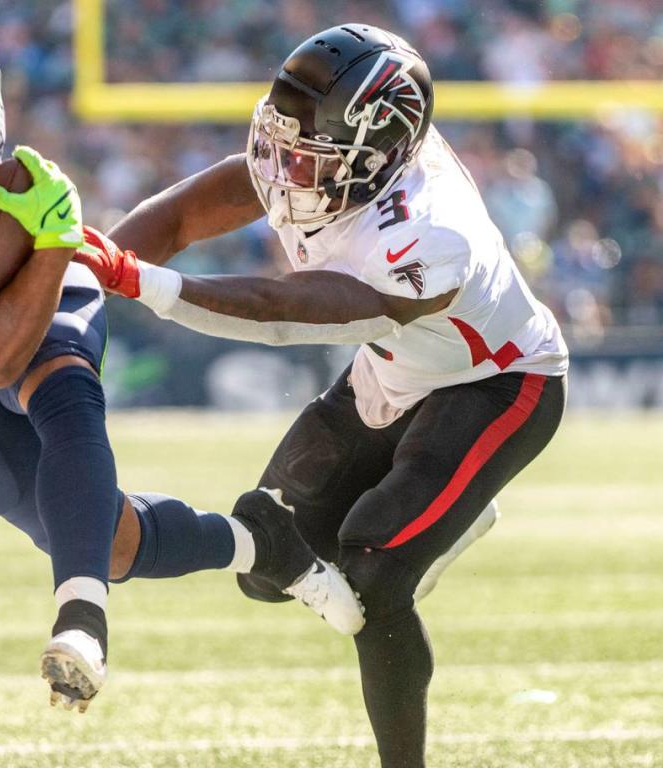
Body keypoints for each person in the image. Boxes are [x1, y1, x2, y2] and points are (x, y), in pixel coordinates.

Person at [0, 12, 360, 713]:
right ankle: (261, 543)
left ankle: (82, 621)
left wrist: (47, 240)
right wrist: (53, 244)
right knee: (98, 535)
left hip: (12, 251)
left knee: (64, 385)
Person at [75, 23, 568, 766]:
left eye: (309, 154)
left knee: (375, 573)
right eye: (282, 142)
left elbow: (284, 310)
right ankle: (445, 513)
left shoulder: (434, 235)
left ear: (377, 155)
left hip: (496, 382)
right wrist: (83, 281)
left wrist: (141, 283)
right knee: (263, 565)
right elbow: (175, 218)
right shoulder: (319, 157)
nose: (284, 166)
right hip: (392, 366)